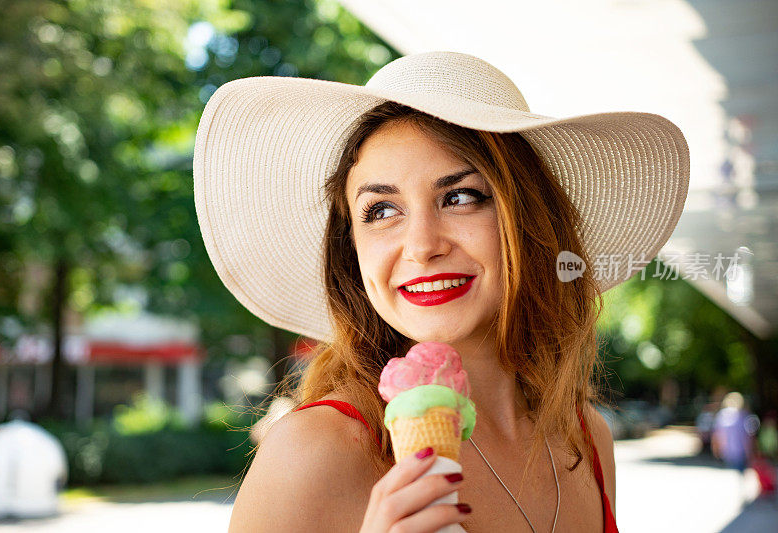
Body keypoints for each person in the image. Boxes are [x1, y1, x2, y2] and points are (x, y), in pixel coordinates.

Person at [194, 51, 690, 532]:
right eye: (381, 211)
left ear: (531, 222)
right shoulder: (315, 451)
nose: (422, 246)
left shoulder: (586, 437)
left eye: (460, 197)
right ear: (352, 251)